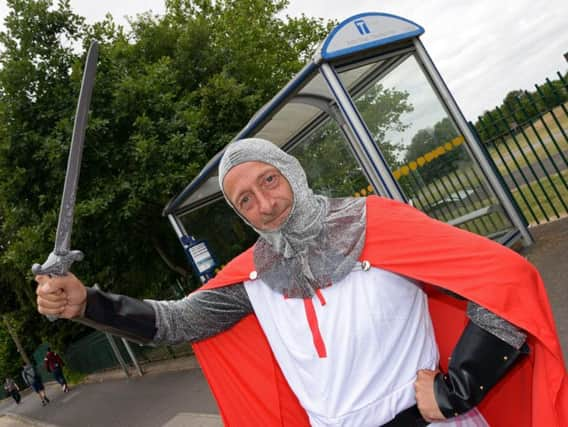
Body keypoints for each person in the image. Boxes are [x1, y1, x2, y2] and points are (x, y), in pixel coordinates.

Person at [36, 138, 567, 426]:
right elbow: (179, 321)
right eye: (246, 200)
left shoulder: (375, 223)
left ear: (290, 170)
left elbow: (506, 280)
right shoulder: (253, 275)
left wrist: (458, 390)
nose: (265, 203)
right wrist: (89, 302)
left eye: (269, 180)